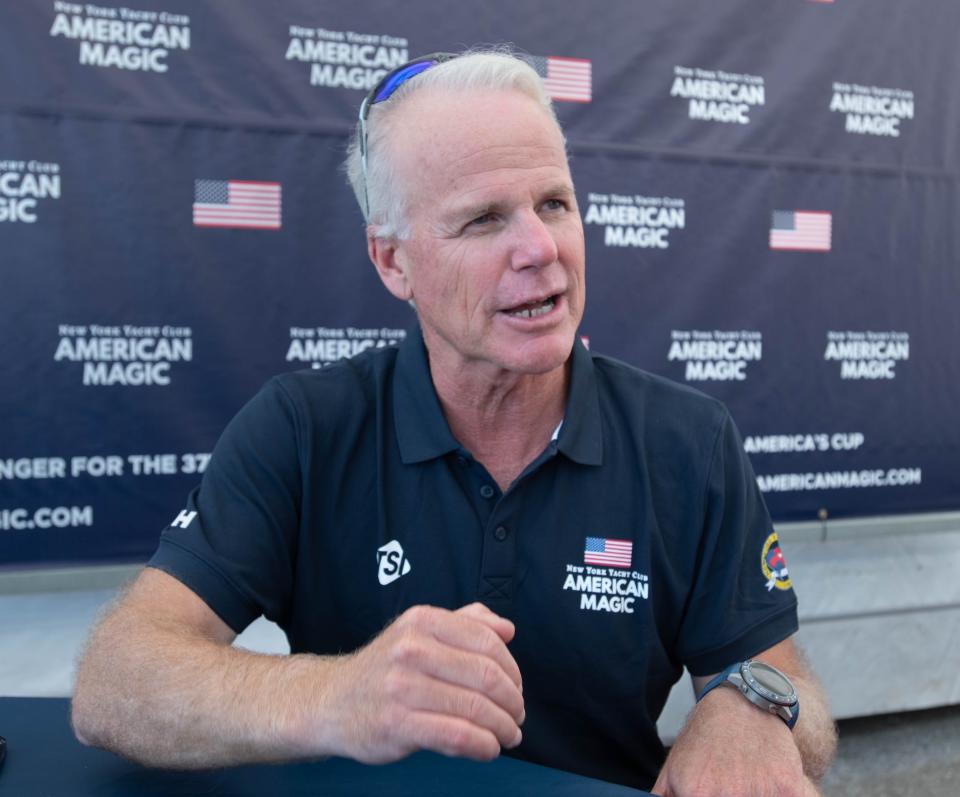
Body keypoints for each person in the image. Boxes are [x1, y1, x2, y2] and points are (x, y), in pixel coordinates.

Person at [72, 49, 836, 794]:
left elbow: (783, 677)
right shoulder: (304, 430)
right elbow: (114, 682)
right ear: (393, 263)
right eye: (481, 220)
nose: (540, 249)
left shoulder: (688, 441)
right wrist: (341, 696)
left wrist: (751, 706)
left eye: (554, 204)